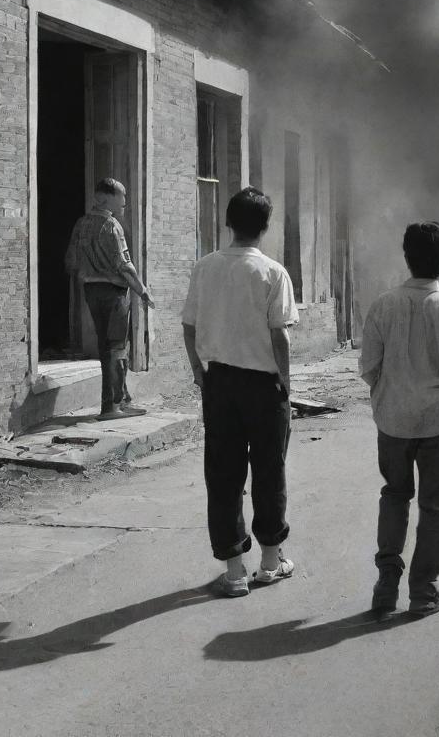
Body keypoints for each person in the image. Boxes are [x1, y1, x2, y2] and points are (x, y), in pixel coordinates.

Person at [360, 221, 439, 618]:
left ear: (406, 256)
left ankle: (386, 585)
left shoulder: (383, 305)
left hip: (392, 420)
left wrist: (388, 393)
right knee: (434, 505)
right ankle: (424, 591)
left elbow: (368, 367)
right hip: (438, 422)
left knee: (394, 496)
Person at [181, 187, 299, 598]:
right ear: (266, 227)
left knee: (224, 473)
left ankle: (233, 571)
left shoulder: (205, 267)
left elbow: (189, 325)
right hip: (264, 386)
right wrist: (286, 380)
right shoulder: (272, 272)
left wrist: (199, 371)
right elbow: (279, 334)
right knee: (269, 470)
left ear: (228, 223)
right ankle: (270, 561)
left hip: (220, 383)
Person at [65, 178, 155, 421]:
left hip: (91, 292)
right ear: (104, 198)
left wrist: (90, 272)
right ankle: (112, 407)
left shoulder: (81, 224)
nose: (125, 201)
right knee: (116, 347)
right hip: (114, 293)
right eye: (121, 196)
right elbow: (124, 264)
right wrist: (142, 290)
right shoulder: (112, 225)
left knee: (106, 347)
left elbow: (71, 261)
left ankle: (120, 400)